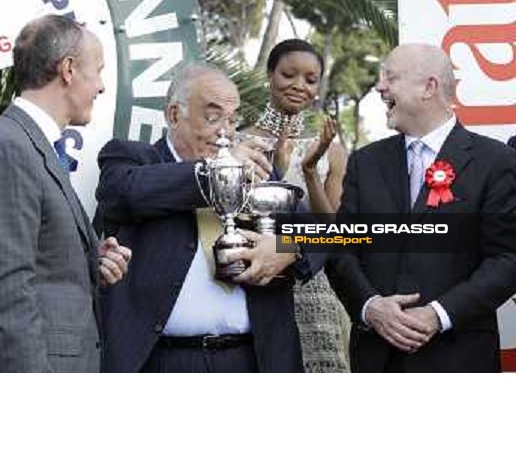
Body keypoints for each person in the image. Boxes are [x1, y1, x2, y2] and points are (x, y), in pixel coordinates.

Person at [95, 64, 318, 372]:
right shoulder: (133, 159)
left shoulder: (257, 170)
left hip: (254, 360)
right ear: (175, 115)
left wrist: (286, 248)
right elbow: (125, 193)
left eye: (232, 118)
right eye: (213, 117)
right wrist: (217, 174)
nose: (226, 131)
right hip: (162, 362)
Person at [0, 15, 131, 373]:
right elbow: (8, 293)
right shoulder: (9, 150)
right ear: (69, 70)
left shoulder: (30, 145)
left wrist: (88, 257)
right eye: (98, 71)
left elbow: (36, 259)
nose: (102, 87)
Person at [326, 43, 516, 372]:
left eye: (391, 77)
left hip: (459, 360)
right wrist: (370, 307)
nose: (380, 86)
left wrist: (438, 314)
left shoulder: (495, 161)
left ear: (429, 87)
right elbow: (340, 246)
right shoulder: (365, 162)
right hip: (377, 362)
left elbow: (508, 258)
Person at [241, 39, 350, 373]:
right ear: (270, 76)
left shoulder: (330, 149)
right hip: (258, 288)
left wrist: (309, 171)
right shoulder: (238, 143)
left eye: (310, 79)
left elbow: (335, 234)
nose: (299, 86)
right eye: (289, 74)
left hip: (317, 291)